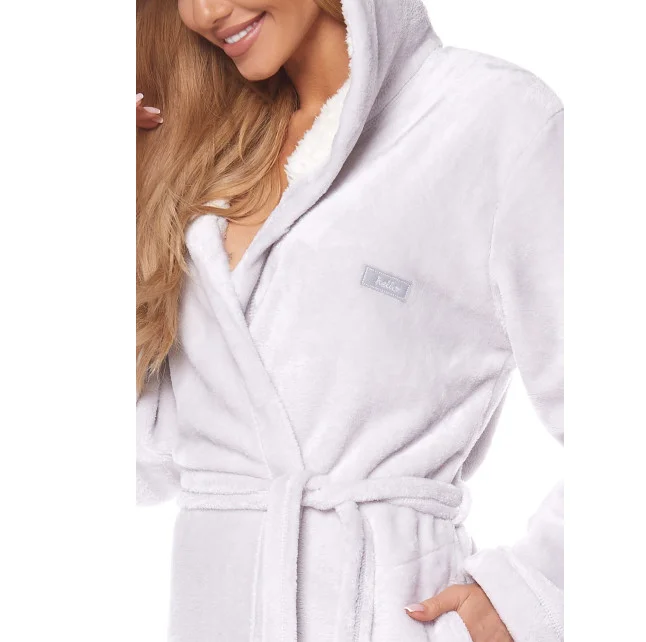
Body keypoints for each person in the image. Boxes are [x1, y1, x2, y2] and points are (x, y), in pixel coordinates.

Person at [135, 1, 564, 641]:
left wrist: (529, 594)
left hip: (388, 615)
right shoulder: (202, 153)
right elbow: (146, 463)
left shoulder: (489, 118)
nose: (206, 11)